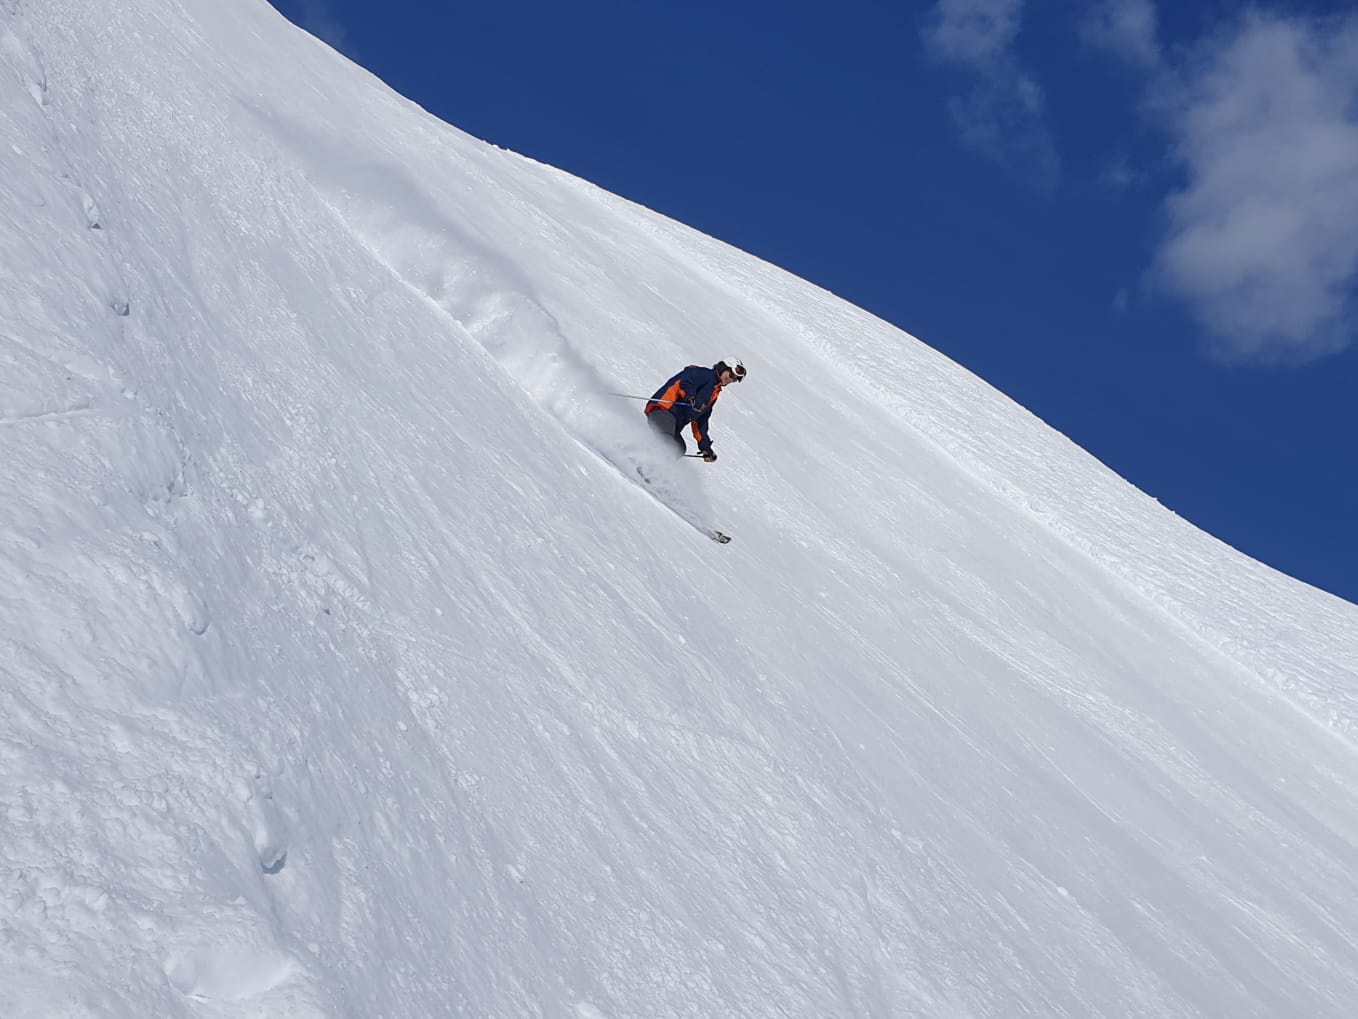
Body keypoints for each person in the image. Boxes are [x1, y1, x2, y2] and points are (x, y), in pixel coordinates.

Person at [644, 359, 745, 461]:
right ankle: (645, 463)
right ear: (723, 368)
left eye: (734, 379)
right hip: (663, 409)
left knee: (679, 448)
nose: (731, 380)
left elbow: (701, 421)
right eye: (731, 375)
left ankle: (645, 459)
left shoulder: (713, 393)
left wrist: (705, 447)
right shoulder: (705, 375)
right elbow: (686, 379)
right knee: (667, 443)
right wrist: (692, 397)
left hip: (674, 424)